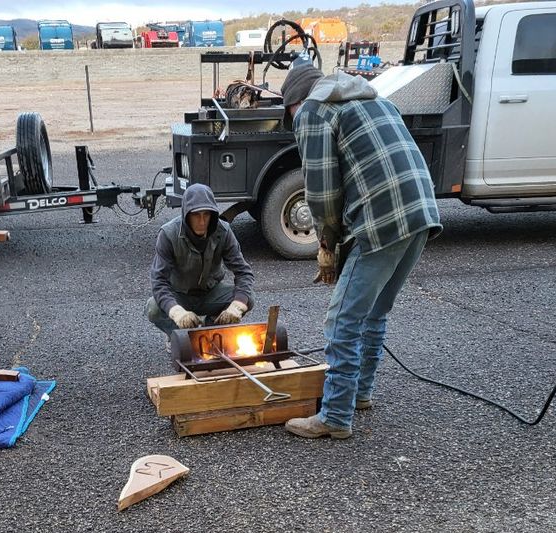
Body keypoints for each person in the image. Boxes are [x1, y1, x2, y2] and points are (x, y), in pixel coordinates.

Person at [280, 63, 442, 440]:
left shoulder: (313, 110)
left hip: (383, 217)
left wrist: (326, 244)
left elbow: (321, 191)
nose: (293, 120)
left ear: (295, 101)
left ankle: (336, 414)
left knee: (342, 319)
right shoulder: (371, 98)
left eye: (289, 112)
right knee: (373, 311)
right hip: (420, 210)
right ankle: (360, 394)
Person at [146, 183, 254, 338]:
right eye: (196, 215)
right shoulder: (168, 234)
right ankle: (178, 336)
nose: (202, 221)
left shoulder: (223, 231)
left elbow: (244, 272)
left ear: (213, 215)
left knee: (247, 298)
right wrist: (176, 312)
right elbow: (158, 281)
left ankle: (212, 330)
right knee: (153, 308)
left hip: (211, 293)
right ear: (186, 214)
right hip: (180, 295)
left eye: (206, 215)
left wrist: (237, 306)